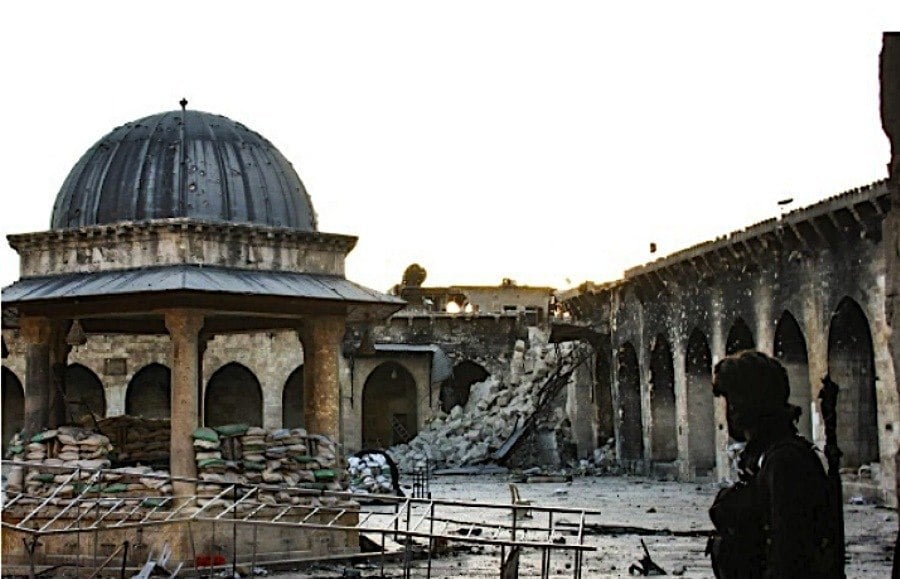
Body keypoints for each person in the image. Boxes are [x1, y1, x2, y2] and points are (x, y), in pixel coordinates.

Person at [707, 350, 841, 578]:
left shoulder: (784, 462)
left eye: (731, 400)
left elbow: (788, 558)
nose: (729, 410)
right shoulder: (767, 457)